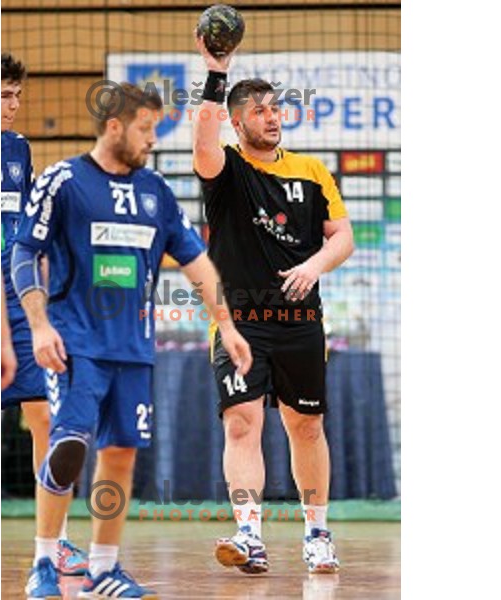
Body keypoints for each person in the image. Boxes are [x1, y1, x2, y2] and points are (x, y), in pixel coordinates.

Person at [12, 82, 251, 599]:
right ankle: (44, 562)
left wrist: (227, 325)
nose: (152, 140)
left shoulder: (156, 192)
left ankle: (103, 570)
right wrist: (38, 324)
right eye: (145, 129)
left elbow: (197, 263)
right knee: (69, 446)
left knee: (120, 455)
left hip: (134, 351)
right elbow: (24, 252)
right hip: (75, 345)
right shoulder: (64, 180)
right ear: (114, 126)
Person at [192, 37, 354, 575]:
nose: (271, 117)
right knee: (240, 424)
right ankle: (249, 535)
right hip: (239, 324)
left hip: (301, 325)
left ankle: (317, 533)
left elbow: (343, 237)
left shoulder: (311, 171)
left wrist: (315, 266)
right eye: (259, 111)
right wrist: (217, 71)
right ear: (239, 124)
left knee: (306, 426)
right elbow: (203, 144)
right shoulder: (227, 168)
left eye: (275, 108)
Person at [1, 52, 87, 576]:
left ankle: (51, 543)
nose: (13, 106)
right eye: (2, 96)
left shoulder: (17, 149)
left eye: (16, 96)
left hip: (17, 297)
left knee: (46, 418)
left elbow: (28, 230)